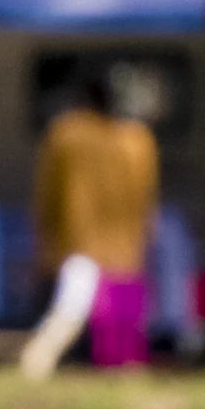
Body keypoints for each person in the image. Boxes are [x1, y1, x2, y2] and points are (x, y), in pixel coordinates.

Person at [21, 66, 160, 376]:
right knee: (120, 347)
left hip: (77, 248)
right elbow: (146, 200)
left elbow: (47, 195)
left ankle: (33, 369)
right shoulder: (138, 140)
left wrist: (43, 242)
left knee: (64, 320)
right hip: (124, 256)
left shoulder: (65, 134)